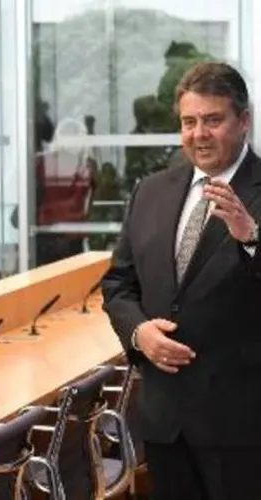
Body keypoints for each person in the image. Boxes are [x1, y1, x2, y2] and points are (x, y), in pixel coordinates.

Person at [102, 62, 261, 499]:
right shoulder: (150, 191)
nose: (199, 134)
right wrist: (138, 333)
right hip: (165, 423)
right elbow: (118, 284)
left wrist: (252, 239)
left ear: (243, 122)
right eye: (189, 122)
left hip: (243, 428)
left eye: (213, 120)